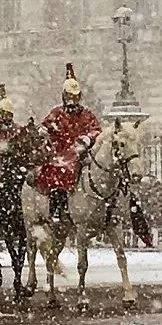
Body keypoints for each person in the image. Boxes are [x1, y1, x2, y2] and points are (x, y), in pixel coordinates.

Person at [33, 63, 102, 223]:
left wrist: (87, 139)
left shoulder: (86, 114)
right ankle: (58, 208)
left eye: (75, 96)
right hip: (61, 153)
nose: (72, 100)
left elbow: (97, 129)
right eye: (70, 96)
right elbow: (45, 126)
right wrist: (43, 131)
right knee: (59, 170)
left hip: (81, 152)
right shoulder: (57, 113)